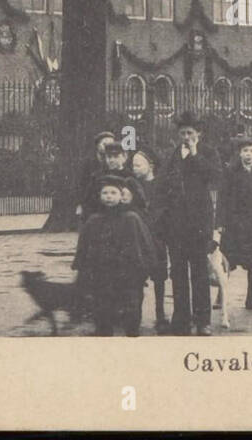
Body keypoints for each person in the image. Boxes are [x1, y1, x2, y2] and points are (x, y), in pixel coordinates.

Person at [158, 112, 222, 336]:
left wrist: (195, 154)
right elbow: (163, 185)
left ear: (198, 134)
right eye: (182, 133)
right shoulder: (172, 154)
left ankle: (203, 320)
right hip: (176, 225)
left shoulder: (208, 152)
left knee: (199, 273)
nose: (186, 137)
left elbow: (213, 177)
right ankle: (181, 319)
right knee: (177, 273)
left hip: (199, 224)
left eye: (190, 133)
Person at [73, 174, 161, 336]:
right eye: (105, 193)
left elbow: (144, 246)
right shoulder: (94, 221)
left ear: (121, 196)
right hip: (103, 276)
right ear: (99, 197)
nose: (109, 197)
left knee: (131, 311)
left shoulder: (131, 219)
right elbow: (84, 249)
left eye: (113, 193)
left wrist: (145, 270)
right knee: (102, 313)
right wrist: (84, 271)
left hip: (128, 276)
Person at [218, 136, 252, 310]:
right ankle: (221, 296)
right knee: (227, 262)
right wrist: (220, 222)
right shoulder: (230, 172)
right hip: (233, 224)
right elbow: (222, 198)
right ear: (239, 153)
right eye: (245, 151)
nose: (249, 155)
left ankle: (251, 298)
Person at [130, 148, 170, 333]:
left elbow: (164, 209)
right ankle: (134, 316)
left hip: (157, 237)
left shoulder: (160, 186)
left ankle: (160, 314)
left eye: (138, 164)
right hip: (138, 240)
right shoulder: (132, 186)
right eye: (133, 165)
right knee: (137, 278)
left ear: (150, 166)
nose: (135, 168)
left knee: (159, 278)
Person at [43, 130, 115, 232]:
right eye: (104, 144)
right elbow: (82, 183)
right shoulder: (88, 162)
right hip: (91, 199)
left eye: (110, 144)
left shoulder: (113, 161)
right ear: (98, 145)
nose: (107, 146)